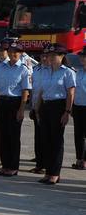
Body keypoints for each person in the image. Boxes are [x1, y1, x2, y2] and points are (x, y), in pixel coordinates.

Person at [34, 44, 75, 185]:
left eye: (53, 56)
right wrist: (38, 109)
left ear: (61, 56)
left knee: (56, 141)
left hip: (59, 107)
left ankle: (55, 173)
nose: (50, 58)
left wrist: (67, 111)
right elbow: (41, 92)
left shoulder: (67, 72)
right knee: (45, 140)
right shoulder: (46, 71)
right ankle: (48, 171)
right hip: (46, 106)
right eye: (49, 55)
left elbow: (70, 93)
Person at [0, 42, 32, 176]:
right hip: (2, 102)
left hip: (15, 103)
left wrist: (21, 109)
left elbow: (25, 91)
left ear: (20, 54)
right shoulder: (2, 68)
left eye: (16, 52)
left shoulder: (23, 69)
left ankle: (13, 166)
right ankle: (5, 165)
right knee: (4, 135)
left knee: (13, 136)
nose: (12, 54)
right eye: (10, 51)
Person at [29, 47, 50, 174]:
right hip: (36, 106)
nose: (44, 58)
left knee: (48, 137)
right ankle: (39, 163)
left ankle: (48, 165)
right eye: (42, 56)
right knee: (38, 137)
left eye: (47, 56)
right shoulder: (36, 69)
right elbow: (34, 89)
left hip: (48, 106)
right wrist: (32, 106)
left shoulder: (53, 71)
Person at [72, 49, 86, 170]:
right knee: (78, 134)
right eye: (82, 57)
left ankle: (85, 160)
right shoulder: (79, 72)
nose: (82, 59)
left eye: (84, 57)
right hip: (78, 106)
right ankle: (79, 158)